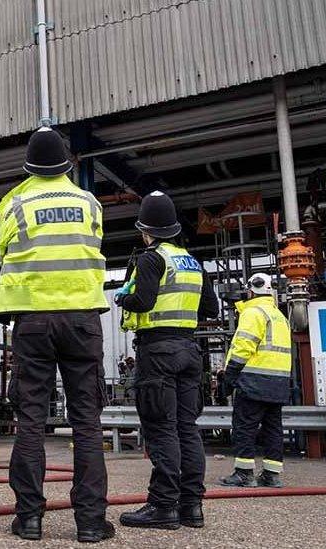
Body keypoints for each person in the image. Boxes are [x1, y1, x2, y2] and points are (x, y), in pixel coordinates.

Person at [0, 126, 114, 543]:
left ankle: (29, 519)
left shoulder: (15, 205)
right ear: (67, 164)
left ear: (29, 166)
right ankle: (91, 523)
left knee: (30, 419)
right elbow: (93, 244)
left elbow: (4, 252)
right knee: (86, 422)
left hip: (33, 319)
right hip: (81, 319)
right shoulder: (89, 202)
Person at [113, 191, 219, 530]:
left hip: (158, 351)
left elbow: (142, 302)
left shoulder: (150, 259)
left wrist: (122, 297)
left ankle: (163, 507)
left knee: (161, 430)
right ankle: (192, 507)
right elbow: (211, 309)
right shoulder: (192, 262)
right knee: (187, 429)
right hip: (189, 351)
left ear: (146, 230)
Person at [219, 273, 292, 488]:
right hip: (278, 382)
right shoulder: (279, 316)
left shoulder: (252, 313)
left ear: (250, 291)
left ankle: (243, 473)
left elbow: (243, 347)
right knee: (273, 428)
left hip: (253, 380)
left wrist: (230, 374)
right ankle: (271, 474)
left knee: (244, 426)